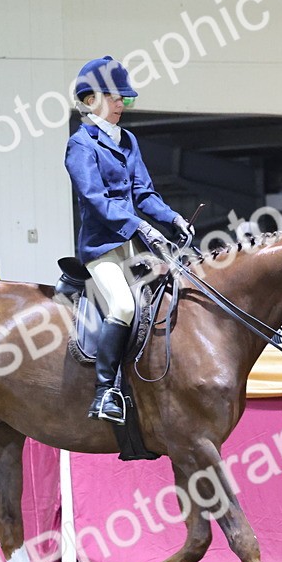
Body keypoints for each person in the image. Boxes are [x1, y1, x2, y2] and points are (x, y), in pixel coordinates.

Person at [64, 55, 189, 425]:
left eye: (125, 99)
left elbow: (144, 192)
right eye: (116, 97)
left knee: (175, 294)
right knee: (122, 306)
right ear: (91, 101)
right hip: (102, 250)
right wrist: (141, 227)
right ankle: (104, 393)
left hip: (135, 247)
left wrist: (172, 218)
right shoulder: (80, 145)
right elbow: (97, 200)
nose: (122, 104)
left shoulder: (128, 140)